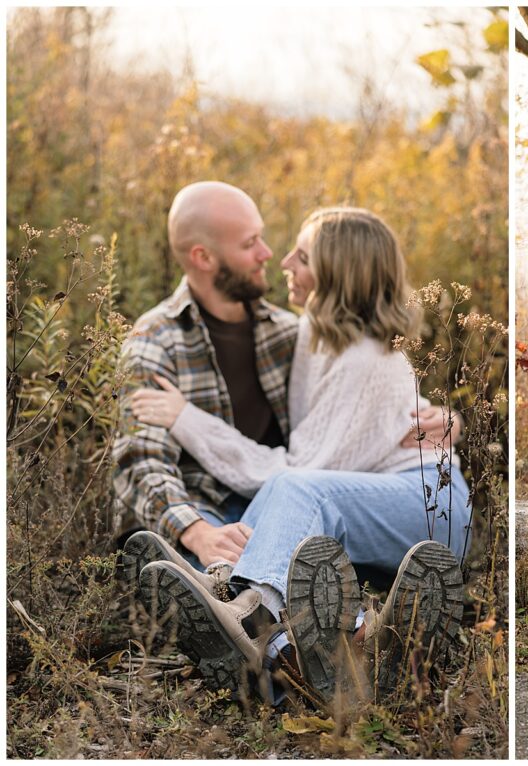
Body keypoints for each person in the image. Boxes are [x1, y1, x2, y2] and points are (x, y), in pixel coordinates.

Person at [114, 184, 465, 703]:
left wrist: (188, 419)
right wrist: (193, 527)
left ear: (335, 276)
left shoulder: (367, 361)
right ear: (203, 256)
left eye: (300, 256)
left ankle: (244, 607)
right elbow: (140, 461)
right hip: (359, 503)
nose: (277, 259)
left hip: (422, 506)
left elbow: (303, 471)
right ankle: (317, 653)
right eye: (253, 242)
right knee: (276, 524)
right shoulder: (304, 335)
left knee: (297, 491)